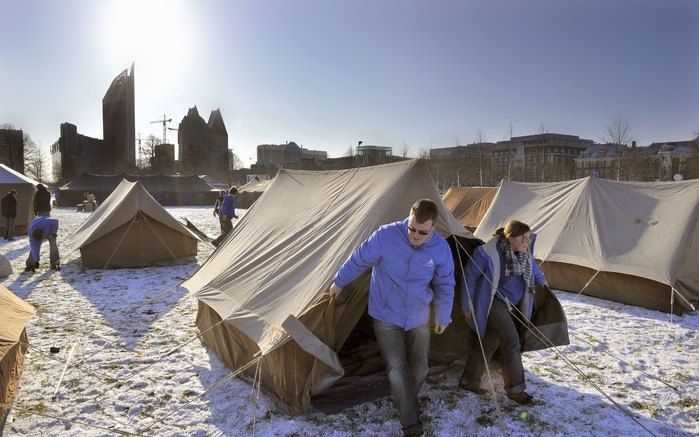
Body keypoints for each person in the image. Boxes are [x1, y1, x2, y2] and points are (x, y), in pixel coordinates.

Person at [328, 199, 455, 437]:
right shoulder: (385, 236)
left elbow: (446, 283)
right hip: (386, 313)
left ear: (433, 229)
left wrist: (443, 315)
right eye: (412, 229)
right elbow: (359, 258)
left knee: (420, 367)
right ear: (408, 220)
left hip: (418, 315)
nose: (415, 235)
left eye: (422, 232)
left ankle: (405, 399)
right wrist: (339, 282)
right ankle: (411, 422)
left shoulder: (440, 248)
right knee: (396, 367)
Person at [459, 220, 547, 405]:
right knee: (511, 342)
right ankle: (516, 390)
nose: (527, 242)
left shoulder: (524, 253)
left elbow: (534, 269)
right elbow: (470, 276)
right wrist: (467, 306)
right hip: (492, 302)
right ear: (510, 238)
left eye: (529, 238)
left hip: (512, 303)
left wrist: (543, 282)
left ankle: (469, 379)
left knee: (491, 341)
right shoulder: (489, 253)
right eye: (523, 238)